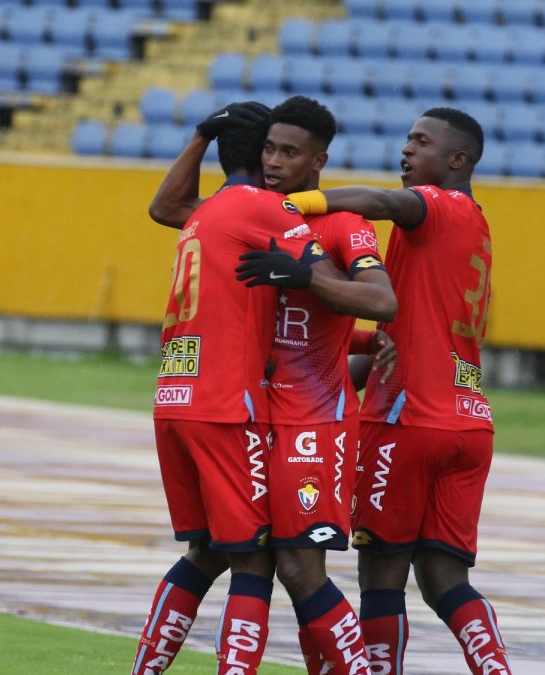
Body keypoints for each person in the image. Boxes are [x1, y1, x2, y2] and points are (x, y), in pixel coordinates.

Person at [141, 96, 398, 675]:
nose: (276, 161)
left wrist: (311, 279)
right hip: (250, 412)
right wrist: (358, 341)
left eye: (290, 152)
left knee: (298, 569)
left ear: (317, 161)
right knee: (221, 553)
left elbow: (381, 300)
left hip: (310, 422)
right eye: (268, 149)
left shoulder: (342, 223)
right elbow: (167, 207)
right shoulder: (252, 210)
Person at [284, 108, 513, 674]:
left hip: (408, 421)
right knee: (444, 580)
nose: (406, 149)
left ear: (457, 160)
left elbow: (384, 203)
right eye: (408, 139)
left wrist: (297, 204)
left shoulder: (435, 207)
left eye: (421, 141)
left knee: (381, 575)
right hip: (468, 420)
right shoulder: (477, 224)